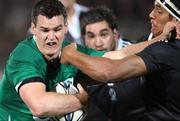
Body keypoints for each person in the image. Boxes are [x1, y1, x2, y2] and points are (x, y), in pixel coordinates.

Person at [61, 0, 180, 120]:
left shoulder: (166, 50)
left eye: (159, 11)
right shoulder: (147, 42)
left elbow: (109, 72)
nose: (151, 14)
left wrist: (70, 53)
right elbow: (121, 54)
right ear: (84, 38)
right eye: (91, 36)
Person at [0, 0, 106, 120]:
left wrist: (131, 51)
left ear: (66, 27)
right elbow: (39, 106)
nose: (51, 37)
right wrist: (81, 101)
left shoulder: (73, 47)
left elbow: (113, 59)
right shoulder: (24, 55)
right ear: (34, 29)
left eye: (56, 30)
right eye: (45, 30)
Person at [76, 6, 145, 121]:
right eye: (91, 36)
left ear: (116, 34)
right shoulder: (79, 63)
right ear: (84, 39)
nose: (98, 43)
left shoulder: (138, 55)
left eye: (103, 34)